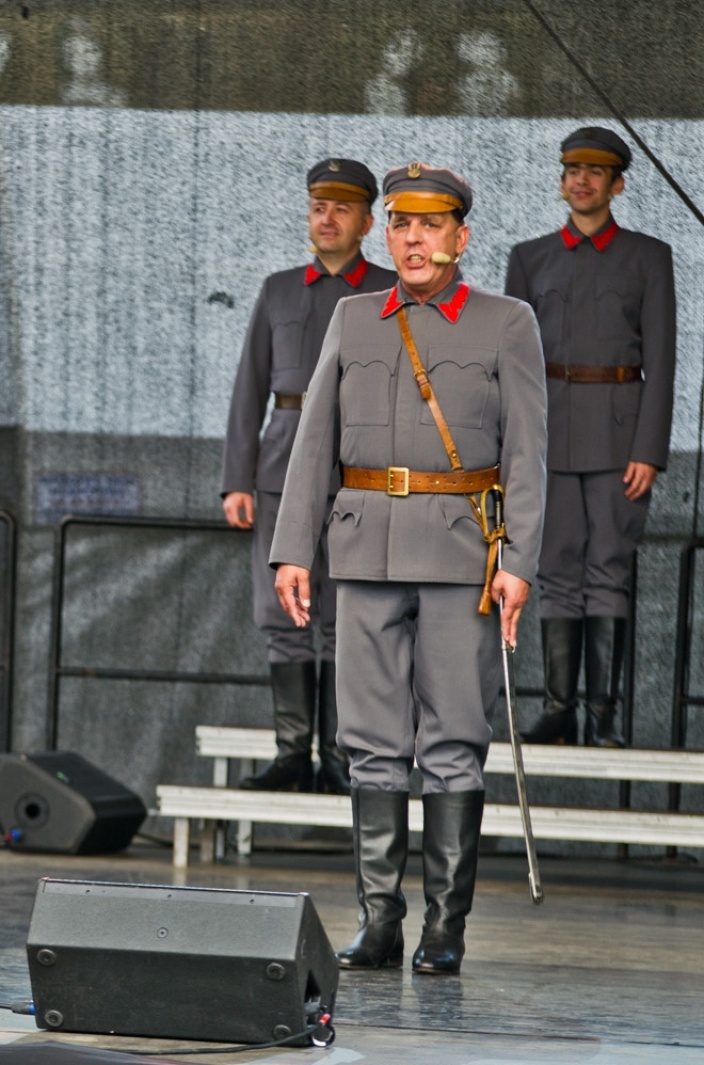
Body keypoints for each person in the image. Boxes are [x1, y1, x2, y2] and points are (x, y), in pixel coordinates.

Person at [272, 163, 546, 975]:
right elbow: (313, 438)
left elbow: (530, 454)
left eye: (432, 225)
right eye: (401, 224)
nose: (414, 238)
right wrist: (295, 546)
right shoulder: (356, 318)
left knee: (455, 740)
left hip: (463, 555)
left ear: (462, 237)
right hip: (363, 550)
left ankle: (444, 928)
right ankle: (380, 921)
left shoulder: (507, 322)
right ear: (384, 235)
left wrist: (520, 561)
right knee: (371, 744)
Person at [222, 158, 397, 796]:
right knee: (282, 612)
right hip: (281, 464)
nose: (326, 218)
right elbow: (249, 391)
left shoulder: (385, 290)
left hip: (358, 470)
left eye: (341, 208)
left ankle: (342, 759)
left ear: (366, 222)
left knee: (345, 611)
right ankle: (293, 754)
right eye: (318, 206)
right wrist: (236, 479)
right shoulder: (278, 290)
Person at [505, 127, 675, 749]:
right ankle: (558, 710)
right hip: (548, 435)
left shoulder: (648, 257)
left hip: (619, 434)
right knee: (554, 568)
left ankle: (601, 715)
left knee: (608, 569)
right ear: (561, 180)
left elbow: (663, 357)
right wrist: (515, 447)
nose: (582, 179)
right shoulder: (530, 258)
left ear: (617, 184)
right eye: (572, 168)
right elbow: (512, 364)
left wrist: (650, 448)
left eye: (596, 171)